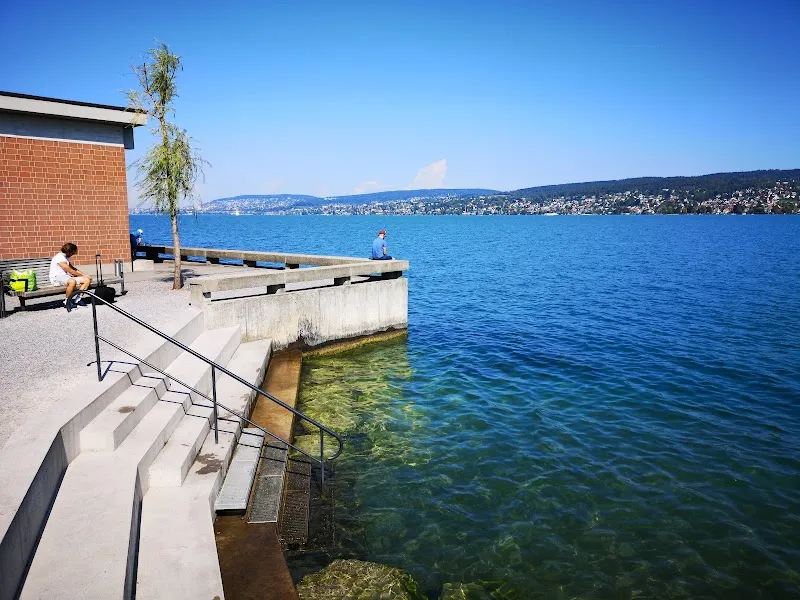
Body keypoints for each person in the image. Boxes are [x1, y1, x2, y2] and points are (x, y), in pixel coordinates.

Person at [49, 242, 93, 312]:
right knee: (72, 281)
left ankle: (77, 300)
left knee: (86, 280)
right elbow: (71, 271)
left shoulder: (66, 257)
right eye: (72, 253)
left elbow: (73, 269)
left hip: (65, 277)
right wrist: (82, 275)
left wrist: (85, 275)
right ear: (69, 251)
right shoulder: (59, 258)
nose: (72, 255)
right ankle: (67, 301)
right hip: (56, 278)